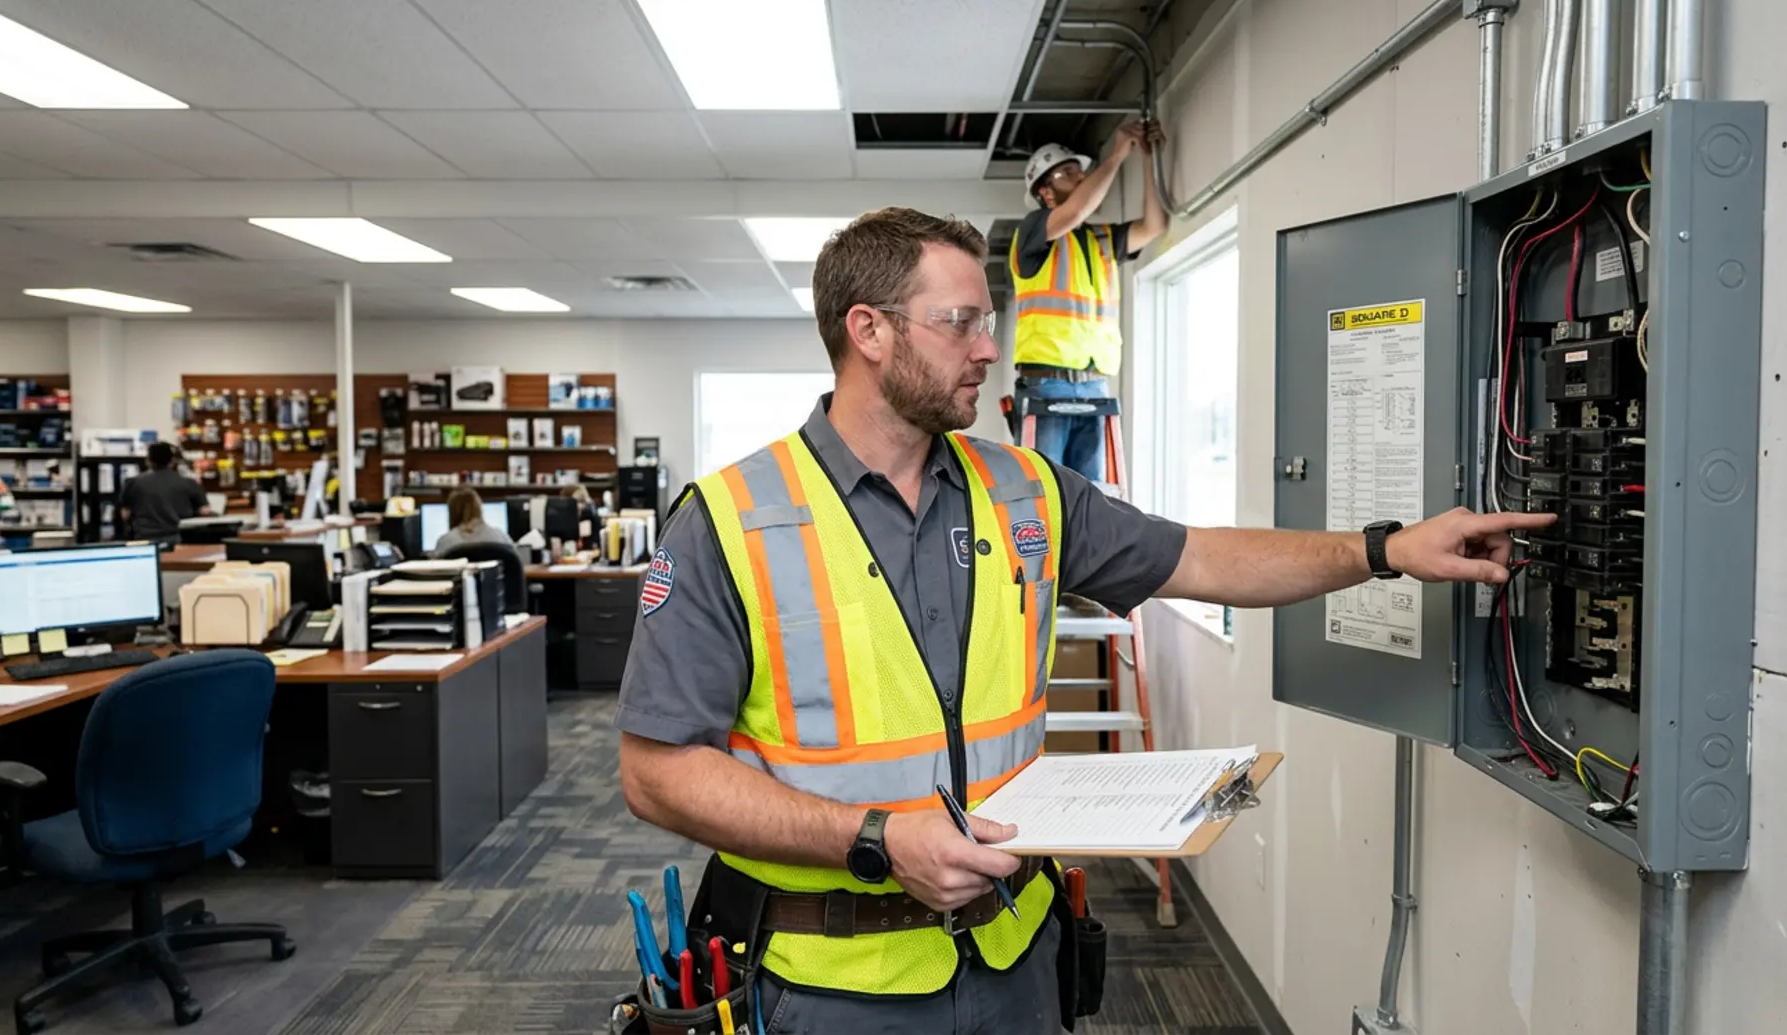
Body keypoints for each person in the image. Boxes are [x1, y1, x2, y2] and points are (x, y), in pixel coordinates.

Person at [617, 208, 1552, 1034]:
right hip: (835, 984)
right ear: (868, 330)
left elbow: (1203, 557)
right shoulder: (730, 520)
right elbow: (658, 774)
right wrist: (875, 839)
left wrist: (1385, 549)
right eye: (960, 323)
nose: (989, 347)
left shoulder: (1025, 489)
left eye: (988, 321)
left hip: (1015, 957)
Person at [1009, 119, 1168, 482]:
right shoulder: (1033, 230)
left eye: (1080, 172)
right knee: (1045, 493)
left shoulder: (1102, 239)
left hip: (1095, 384)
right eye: (1068, 174)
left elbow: (1155, 225)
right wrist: (1116, 155)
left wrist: (1146, 157)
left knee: (1089, 497)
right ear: (1045, 192)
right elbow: (1076, 212)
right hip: (1046, 385)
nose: (1080, 178)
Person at [117, 441, 210, 541]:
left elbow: (125, 515)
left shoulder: (133, 483)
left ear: (148, 460)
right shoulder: (189, 483)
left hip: (144, 538)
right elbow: (204, 511)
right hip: (178, 539)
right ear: (172, 461)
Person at [431, 487, 514, 556]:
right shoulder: (501, 537)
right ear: (479, 508)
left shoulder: (445, 541)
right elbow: (519, 567)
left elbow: (435, 573)